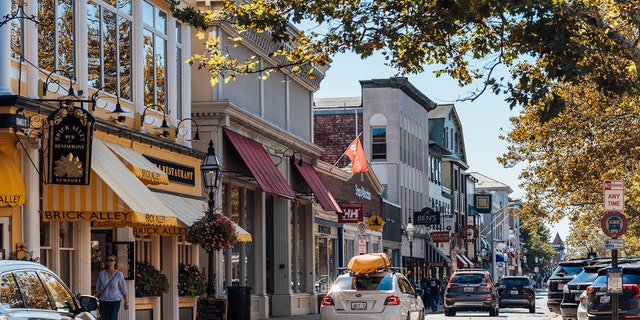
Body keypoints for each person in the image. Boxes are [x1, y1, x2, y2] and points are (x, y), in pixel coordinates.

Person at [95, 255, 129, 320]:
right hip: (103, 301)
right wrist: (96, 302)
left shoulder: (119, 274)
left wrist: (126, 301)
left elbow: (123, 288)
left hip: (115, 301)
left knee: (113, 318)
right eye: (107, 260)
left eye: (111, 260)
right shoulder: (102, 274)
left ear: (115, 262)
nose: (109, 262)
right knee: (104, 318)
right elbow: (97, 288)